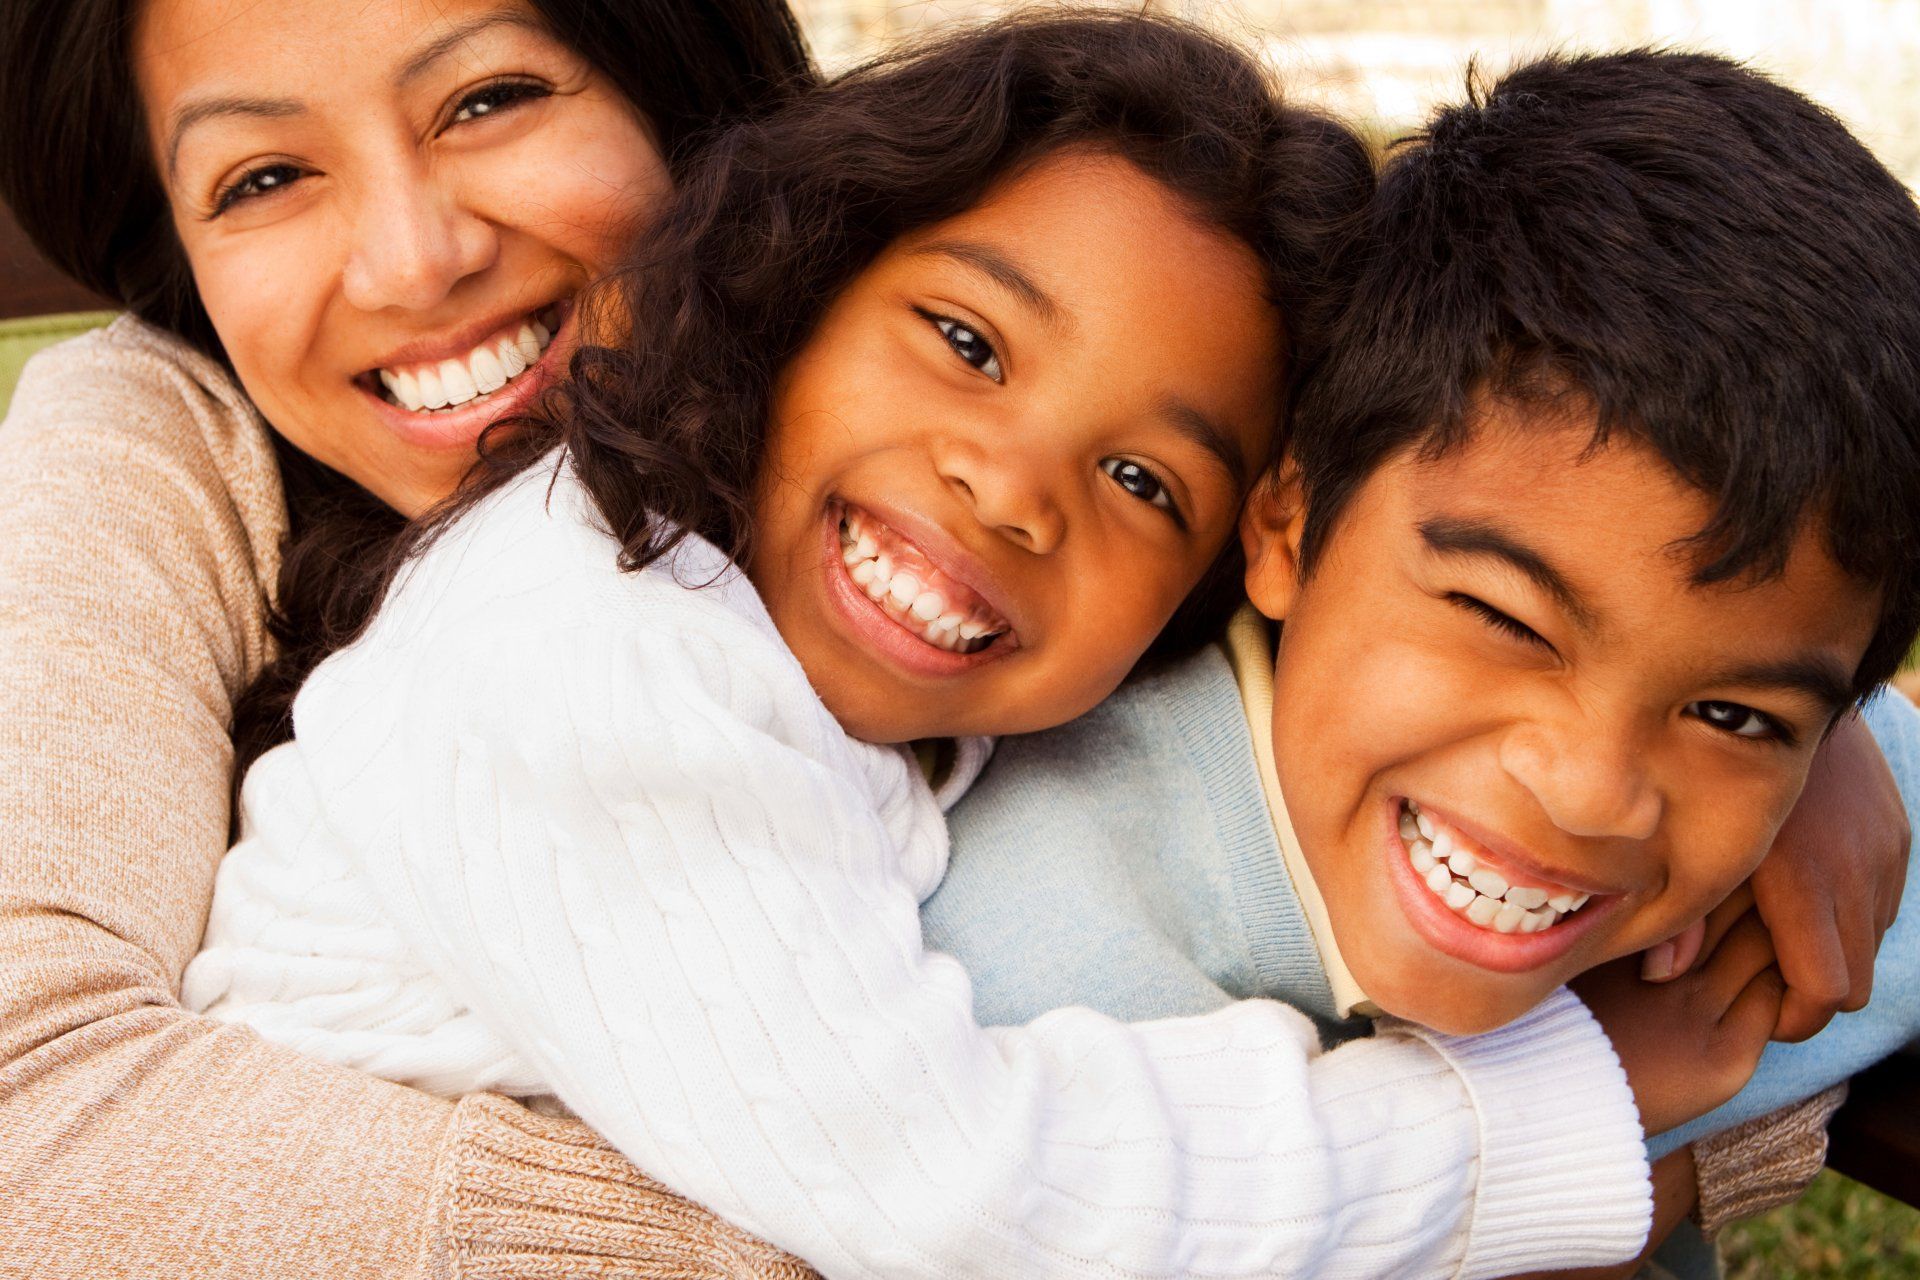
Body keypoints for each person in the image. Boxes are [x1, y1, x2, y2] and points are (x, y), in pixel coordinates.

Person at [181, 20, 1911, 1280]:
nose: (1013, 493)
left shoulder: (859, 638)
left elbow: (1488, 510)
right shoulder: (589, 654)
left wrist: (1783, 719)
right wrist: (1554, 1107)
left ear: (1247, 536)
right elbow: (956, 1195)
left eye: (1146, 477)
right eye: (965, 340)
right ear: (800, 280)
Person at [919, 47, 1920, 1277]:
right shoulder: (1029, 956)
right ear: (1286, 523)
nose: (1591, 788)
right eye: (1506, 618)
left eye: (1729, 709)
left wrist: (1831, 755)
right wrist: (1608, 1132)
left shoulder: (1798, 849)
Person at [0, 0, 829, 1274]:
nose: (410, 262)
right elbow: (28, 1112)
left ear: (681, 86)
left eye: (488, 99)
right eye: (265, 176)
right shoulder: (162, 437)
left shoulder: (951, 402)